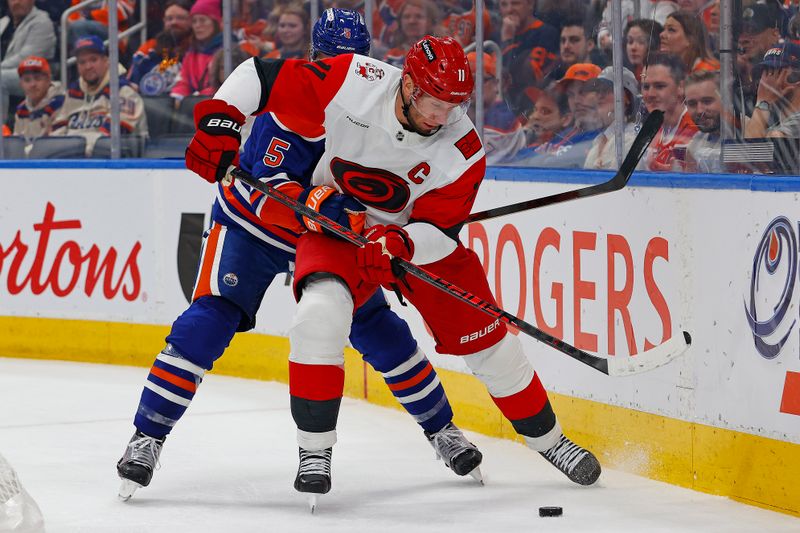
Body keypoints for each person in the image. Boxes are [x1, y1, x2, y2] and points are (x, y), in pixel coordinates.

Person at [184, 34, 603, 499]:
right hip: (339, 228)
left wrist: (402, 239)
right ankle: (314, 449)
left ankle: (551, 441)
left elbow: (441, 233)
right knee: (317, 317)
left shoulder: (463, 151)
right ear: (407, 84)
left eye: (454, 105)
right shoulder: (353, 80)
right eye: (433, 102)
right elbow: (258, 76)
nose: (442, 116)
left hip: (414, 244)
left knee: (491, 345)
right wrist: (222, 123)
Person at [116, 9, 483, 502]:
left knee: (376, 326)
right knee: (207, 321)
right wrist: (316, 203)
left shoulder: (371, 104)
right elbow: (269, 191)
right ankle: (147, 437)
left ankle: (441, 429)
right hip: (253, 227)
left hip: (325, 238)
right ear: (312, 59)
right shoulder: (293, 107)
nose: (337, 73)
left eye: (350, 62)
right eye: (329, 61)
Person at [50, 35, 147, 156]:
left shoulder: (124, 92)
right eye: (82, 62)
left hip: (116, 166)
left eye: (93, 60)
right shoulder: (73, 94)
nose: (88, 66)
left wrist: (75, 152)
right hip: (72, 162)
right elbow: (57, 135)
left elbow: (111, 140)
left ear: (106, 61)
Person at [499, 0, 559, 115]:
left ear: (530, 4)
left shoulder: (546, 33)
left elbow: (520, 76)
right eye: (504, 4)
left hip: (531, 107)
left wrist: (507, 41)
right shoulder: (498, 32)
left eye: (515, 3)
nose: (509, 10)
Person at [639, 52, 697, 171]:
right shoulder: (652, 130)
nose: (650, 94)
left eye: (659, 86)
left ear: (680, 87)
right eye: (646, 87)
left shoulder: (695, 129)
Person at [466, 51, 526, 164]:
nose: (470, 86)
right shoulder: (459, 115)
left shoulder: (502, 120)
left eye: (477, 80)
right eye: (465, 80)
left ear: (496, 84)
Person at [127, 0, 193, 97]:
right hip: (152, 105)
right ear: (164, 21)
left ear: (191, 21)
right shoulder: (150, 47)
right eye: (169, 19)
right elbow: (132, 80)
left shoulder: (197, 48)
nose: (174, 22)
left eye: (180, 18)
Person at [583, 66, 641, 170]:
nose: (600, 95)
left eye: (608, 90)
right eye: (598, 91)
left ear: (627, 97)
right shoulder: (598, 140)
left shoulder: (633, 137)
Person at [0, 0, 56, 104]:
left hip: (35, 74)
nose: (16, 2)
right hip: (9, 71)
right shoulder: (4, 22)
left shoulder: (42, 21)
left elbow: (26, 58)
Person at [170, 0, 224, 101]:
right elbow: (183, 81)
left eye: (202, 20)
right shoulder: (191, 51)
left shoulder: (228, 50)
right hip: (190, 107)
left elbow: (222, 86)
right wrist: (177, 97)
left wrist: (194, 99)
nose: (197, 25)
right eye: (194, 21)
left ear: (215, 22)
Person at [745, 41, 800, 139]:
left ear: (796, 78)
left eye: (773, 72)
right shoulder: (774, 121)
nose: (764, 82)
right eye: (763, 73)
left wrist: (763, 102)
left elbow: (751, 151)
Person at [13, 56, 64, 152]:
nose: (32, 84)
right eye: (27, 80)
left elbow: (58, 144)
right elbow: (16, 144)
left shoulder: (61, 103)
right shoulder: (21, 110)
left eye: (37, 78)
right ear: (21, 84)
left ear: (48, 80)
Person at [684, 70, 722, 172]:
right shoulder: (695, 144)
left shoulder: (748, 132)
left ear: (725, 99)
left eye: (707, 101)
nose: (700, 110)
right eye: (692, 104)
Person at [625, 19, 663, 85]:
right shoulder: (627, 74)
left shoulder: (662, 75)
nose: (633, 48)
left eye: (641, 42)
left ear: (654, 45)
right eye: (630, 41)